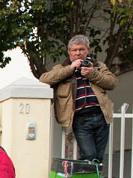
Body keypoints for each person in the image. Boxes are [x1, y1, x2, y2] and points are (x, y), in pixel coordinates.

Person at [39, 35, 117, 169]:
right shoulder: (62, 68)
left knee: (99, 157)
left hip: (101, 116)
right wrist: (70, 69)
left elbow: (112, 83)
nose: (78, 53)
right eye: (74, 50)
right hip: (80, 119)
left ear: (88, 49)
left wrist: (92, 73)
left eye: (81, 49)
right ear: (69, 51)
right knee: (89, 155)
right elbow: (44, 79)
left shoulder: (98, 66)